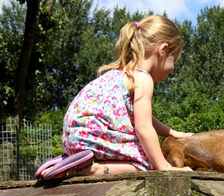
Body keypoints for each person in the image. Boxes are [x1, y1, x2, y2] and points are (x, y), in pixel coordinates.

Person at [35, 15, 193, 180]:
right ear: (163, 50)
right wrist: (164, 167)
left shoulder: (120, 74)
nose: (172, 68)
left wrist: (173, 132)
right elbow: (143, 128)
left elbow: (144, 117)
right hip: (92, 136)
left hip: (76, 137)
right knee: (146, 164)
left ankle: (71, 162)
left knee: (145, 155)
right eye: (174, 59)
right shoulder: (143, 78)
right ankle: (90, 169)